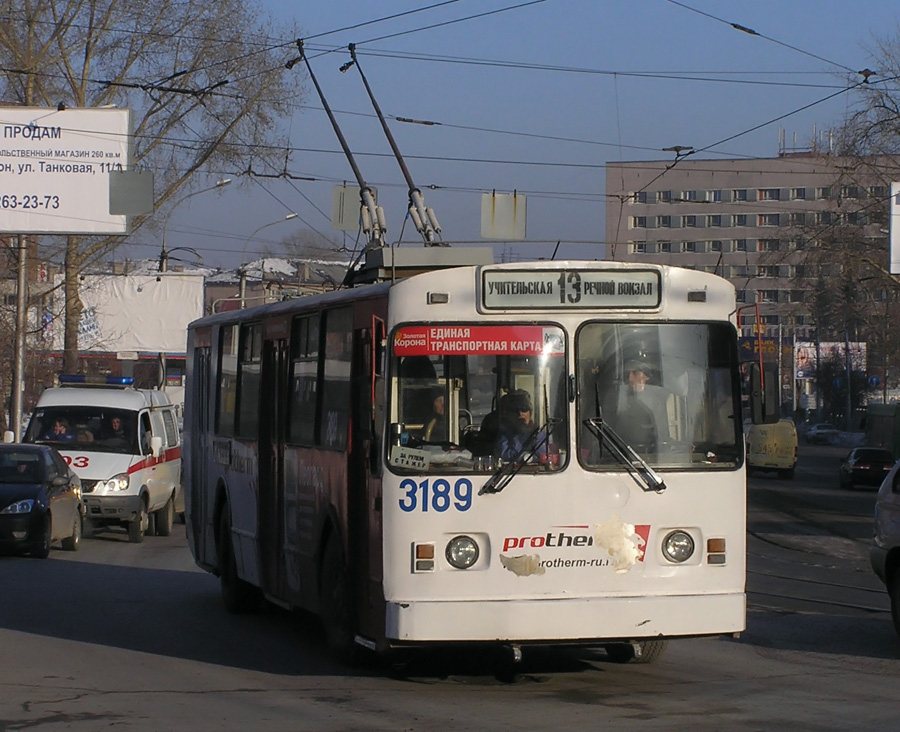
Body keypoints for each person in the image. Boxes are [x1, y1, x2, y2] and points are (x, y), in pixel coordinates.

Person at [495, 389, 548, 462]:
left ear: (530, 412)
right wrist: (518, 434)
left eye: (524, 409)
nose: (520, 414)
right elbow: (506, 457)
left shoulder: (539, 434)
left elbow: (544, 457)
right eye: (515, 410)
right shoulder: (505, 435)